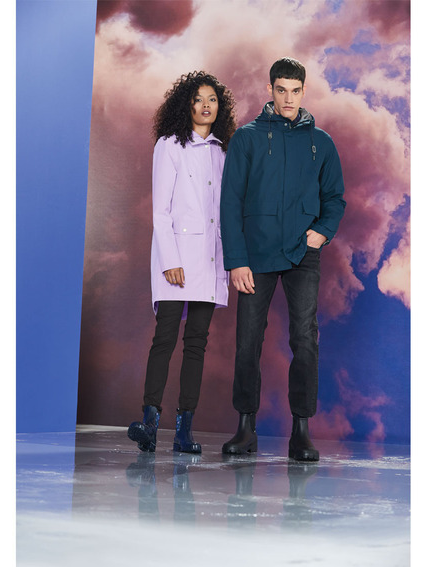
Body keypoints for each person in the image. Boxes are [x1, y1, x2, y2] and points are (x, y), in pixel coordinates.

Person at [219, 57, 346, 462]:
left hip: (301, 254)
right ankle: (245, 428)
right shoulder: (246, 139)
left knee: (304, 339)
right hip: (255, 255)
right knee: (247, 340)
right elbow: (230, 202)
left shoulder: (321, 142)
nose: (288, 98)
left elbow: (335, 198)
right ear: (270, 90)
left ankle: (301, 432)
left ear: (304, 91)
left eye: (295, 91)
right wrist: (236, 260)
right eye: (281, 90)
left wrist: (322, 232)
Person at [127, 71, 237, 454]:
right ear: (186, 104)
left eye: (212, 99)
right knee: (165, 338)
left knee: (197, 344)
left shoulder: (224, 151)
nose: (206, 106)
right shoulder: (170, 145)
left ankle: (184, 431)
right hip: (176, 260)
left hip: (210, 260)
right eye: (198, 99)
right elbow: (161, 211)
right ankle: (149, 423)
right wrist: (170, 259)